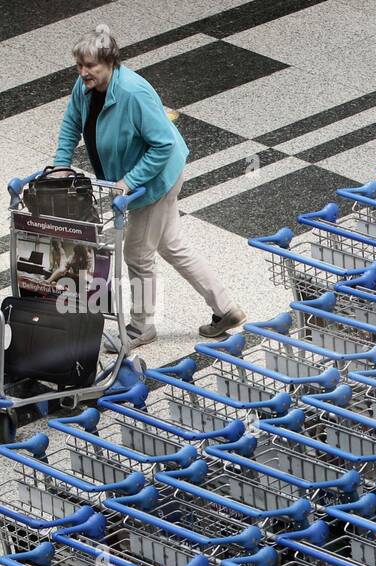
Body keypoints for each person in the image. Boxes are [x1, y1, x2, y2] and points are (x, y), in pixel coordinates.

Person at [51, 24, 249, 349]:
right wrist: (61, 163)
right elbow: (73, 120)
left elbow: (163, 147)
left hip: (155, 182)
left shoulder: (133, 93)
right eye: (80, 65)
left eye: (90, 66)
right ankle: (226, 309)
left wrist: (129, 183)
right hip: (139, 180)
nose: (83, 72)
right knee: (171, 244)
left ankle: (141, 327)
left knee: (137, 253)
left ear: (110, 62)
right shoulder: (85, 87)